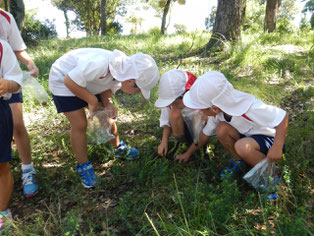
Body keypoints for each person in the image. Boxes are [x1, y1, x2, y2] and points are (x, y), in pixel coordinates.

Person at [49, 48, 159, 188]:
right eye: (138, 90)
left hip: (87, 83)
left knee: (105, 116)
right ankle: (84, 166)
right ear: (131, 81)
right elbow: (69, 81)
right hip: (63, 81)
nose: (136, 93)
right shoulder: (100, 64)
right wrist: (92, 101)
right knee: (80, 124)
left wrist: (107, 102)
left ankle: (118, 147)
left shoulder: (122, 71)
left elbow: (107, 86)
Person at [181, 71, 288, 180]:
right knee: (221, 129)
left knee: (241, 147)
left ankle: (273, 179)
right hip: (248, 139)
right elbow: (204, 135)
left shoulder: (250, 107)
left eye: (201, 109)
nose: (200, 112)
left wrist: (277, 146)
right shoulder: (218, 114)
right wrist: (188, 153)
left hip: (269, 140)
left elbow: (282, 117)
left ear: (215, 108)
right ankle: (239, 161)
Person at [0, 7, 39, 197]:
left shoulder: (6, 18)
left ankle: (27, 169)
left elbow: (18, 48)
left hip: (8, 78)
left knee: (17, 124)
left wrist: (29, 62)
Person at [154, 69, 208, 160]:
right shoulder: (172, 100)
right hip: (184, 127)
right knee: (174, 113)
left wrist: (188, 153)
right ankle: (182, 142)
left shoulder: (200, 96)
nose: (171, 105)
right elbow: (166, 121)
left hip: (204, 132)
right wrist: (164, 141)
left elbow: (211, 124)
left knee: (198, 113)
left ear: (184, 94)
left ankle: (201, 145)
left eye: (174, 102)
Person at [0, 39, 23, 232]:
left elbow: (16, 83)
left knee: (1, 164)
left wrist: (7, 84)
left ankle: (2, 212)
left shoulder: (2, 47)